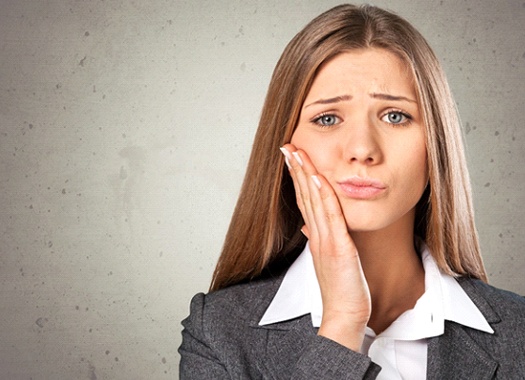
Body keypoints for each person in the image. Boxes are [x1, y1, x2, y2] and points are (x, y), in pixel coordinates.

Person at [179, 4, 525, 379]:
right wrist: (342, 323)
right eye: (327, 119)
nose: (362, 149)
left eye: (395, 115)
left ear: (436, 145)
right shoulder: (217, 334)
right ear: (286, 145)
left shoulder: (517, 334)